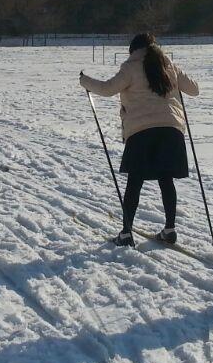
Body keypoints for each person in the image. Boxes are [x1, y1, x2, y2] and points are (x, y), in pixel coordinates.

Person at [80, 32, 199, 247]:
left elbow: (107, 89)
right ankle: (170, 229)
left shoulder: (131, 67)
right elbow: (194, 90)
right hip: (171, 130)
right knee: (166, 179)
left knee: (135, 182)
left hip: (141, 131)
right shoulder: (168, 65)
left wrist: (85, 81)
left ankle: (126, 233)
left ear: (133, 50)